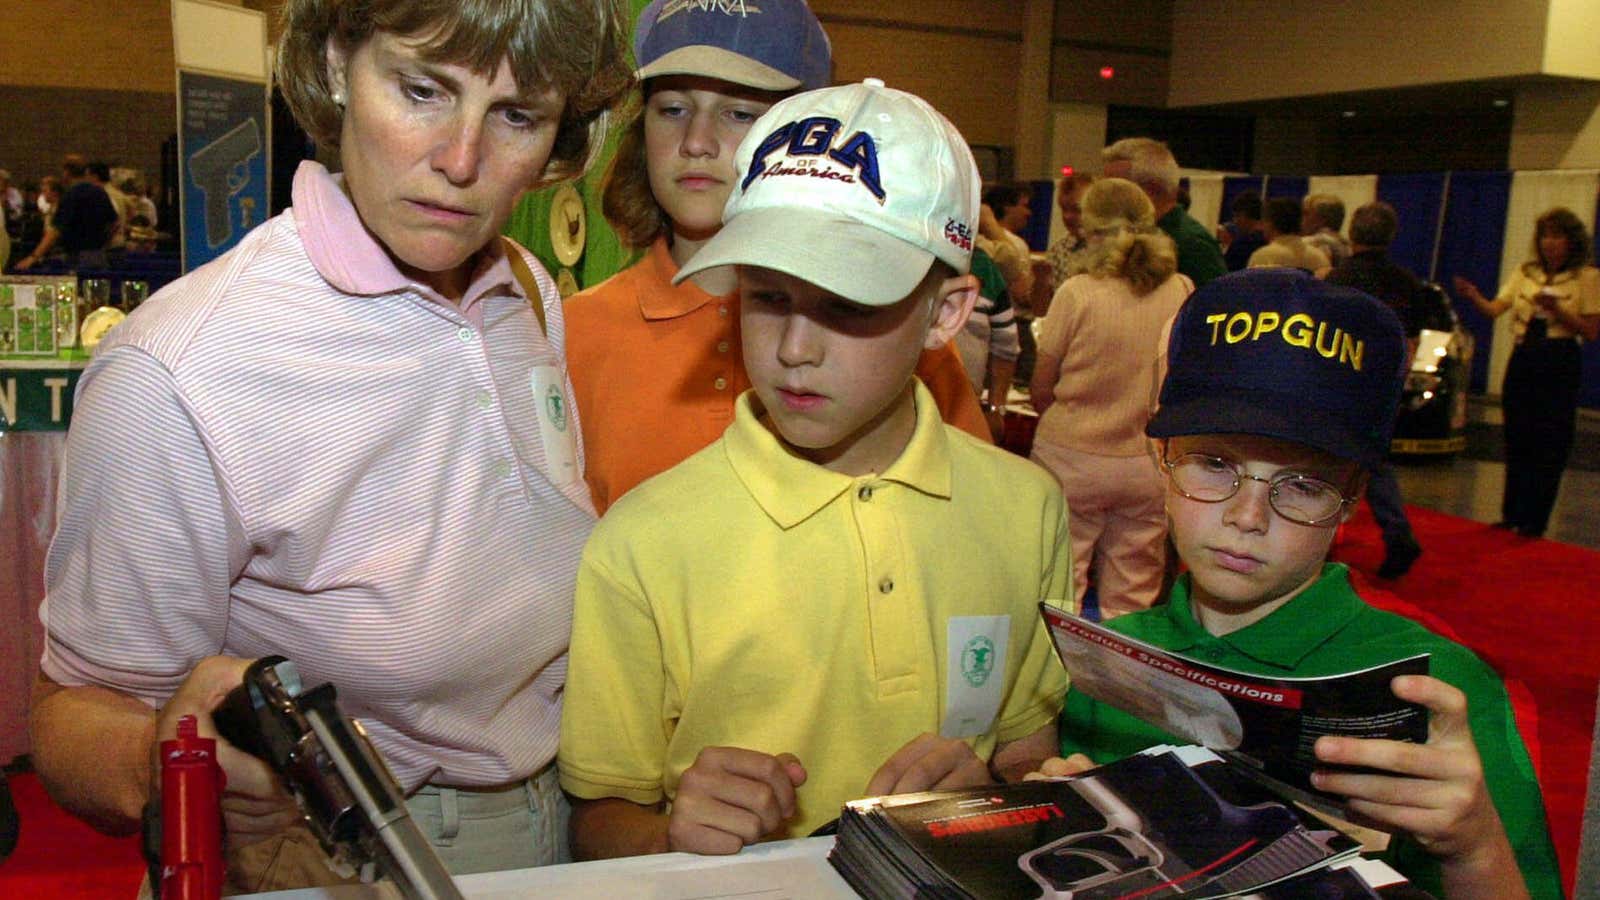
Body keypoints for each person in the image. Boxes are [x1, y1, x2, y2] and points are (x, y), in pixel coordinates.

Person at [29, 0, 630, 891]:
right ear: (340, 62)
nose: (462, 162)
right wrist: (163, 755)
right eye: (422, 90)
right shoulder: (183, 368)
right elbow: (68, 716)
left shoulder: (528, 291)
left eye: (516, 116)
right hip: (338, 851)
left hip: (562, 821)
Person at [559, 79, 1071, 858]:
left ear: (946, 313)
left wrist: (994, 795)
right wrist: (673, 834)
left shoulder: (1027, 507)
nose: (795, 348)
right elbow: (599, 818)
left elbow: (1031, 743)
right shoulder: (644, 543)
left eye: (849, 304)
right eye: (767, 297)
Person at [1044, 269, 1561, 900]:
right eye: (1214, 464)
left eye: (1304, 486)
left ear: (1351, 500)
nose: (1246, 517)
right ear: (1162, 453)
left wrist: (1474, 845)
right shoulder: (1108, 662)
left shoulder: (1435, 685)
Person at [564, 0, 987, 515]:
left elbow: (973, 519)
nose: (696, 142)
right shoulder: (574, 334)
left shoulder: (896, 334)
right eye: (672, 109)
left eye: (740, 113)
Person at [1029, 178, 1193, 618]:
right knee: (1134, 590)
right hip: (1146, 461)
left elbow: (1042, 384)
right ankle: (1119, 680)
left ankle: (1055, 678)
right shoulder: (1180, 289)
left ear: (1090, 229)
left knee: (1060, 581)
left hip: (1071, 456)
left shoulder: (1077, 293)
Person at [1454, 207, 1600, 538]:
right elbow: (1496, 309)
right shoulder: (1525, 271)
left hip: (1559, 359)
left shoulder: (1587, 277)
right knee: (1518, 434)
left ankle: (1536, 519)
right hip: (1524, 357)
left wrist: (1558, 310)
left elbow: (1590, 331)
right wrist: (1474, 295)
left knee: (1549, 440)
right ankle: (1512, 513)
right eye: (1545, 235)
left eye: (1557, 236)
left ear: (1571, 241)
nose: (1550, 243)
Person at [1326, 201, 1425, 577]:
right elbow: (1412, 341)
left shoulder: (1338, 279)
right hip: (1385, 381)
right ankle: (1397, 531)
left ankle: (1320, 539)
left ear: (1352, 233)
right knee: (1378, 464)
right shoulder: (1406, 282)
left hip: (1342, 380)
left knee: (1329, 461)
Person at [1101, 137, 1225, 287]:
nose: (1105, 197)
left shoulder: (1192, 245)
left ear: (1151, 189)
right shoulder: (1134, 235)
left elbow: (1216, 306)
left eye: (1116, 189)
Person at [15, 154, 118, 270]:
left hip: (76, 256)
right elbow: (114, 223)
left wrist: (33, 257)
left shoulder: (70, 196)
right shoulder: (100, 192)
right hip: (98, 256)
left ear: (67, 172)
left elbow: (55, 231)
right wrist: (103, 242)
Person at [1248, 195, 1330, 274]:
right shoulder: (1320, 257)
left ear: (1270, 224)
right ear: (1300, 221)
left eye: (1263, 221)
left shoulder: (1261, 257)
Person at [1046, 170, 1093, 294]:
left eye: (1076, 209)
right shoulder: (1058, 251)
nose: (1067, 216)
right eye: (1064, 209)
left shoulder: (1113, 248)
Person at [1219, 188, 1266, 272]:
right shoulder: (1270, 239)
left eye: (1237, 216)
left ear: (1244, 215)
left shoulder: (1242, 244)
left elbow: (1225, 271)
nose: (1235, 221)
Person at [1303, 192, 1351, 268]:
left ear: (1321, 219)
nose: (1301, 218)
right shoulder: (1348, 245)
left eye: (1306, 213)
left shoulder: (1314, 243)